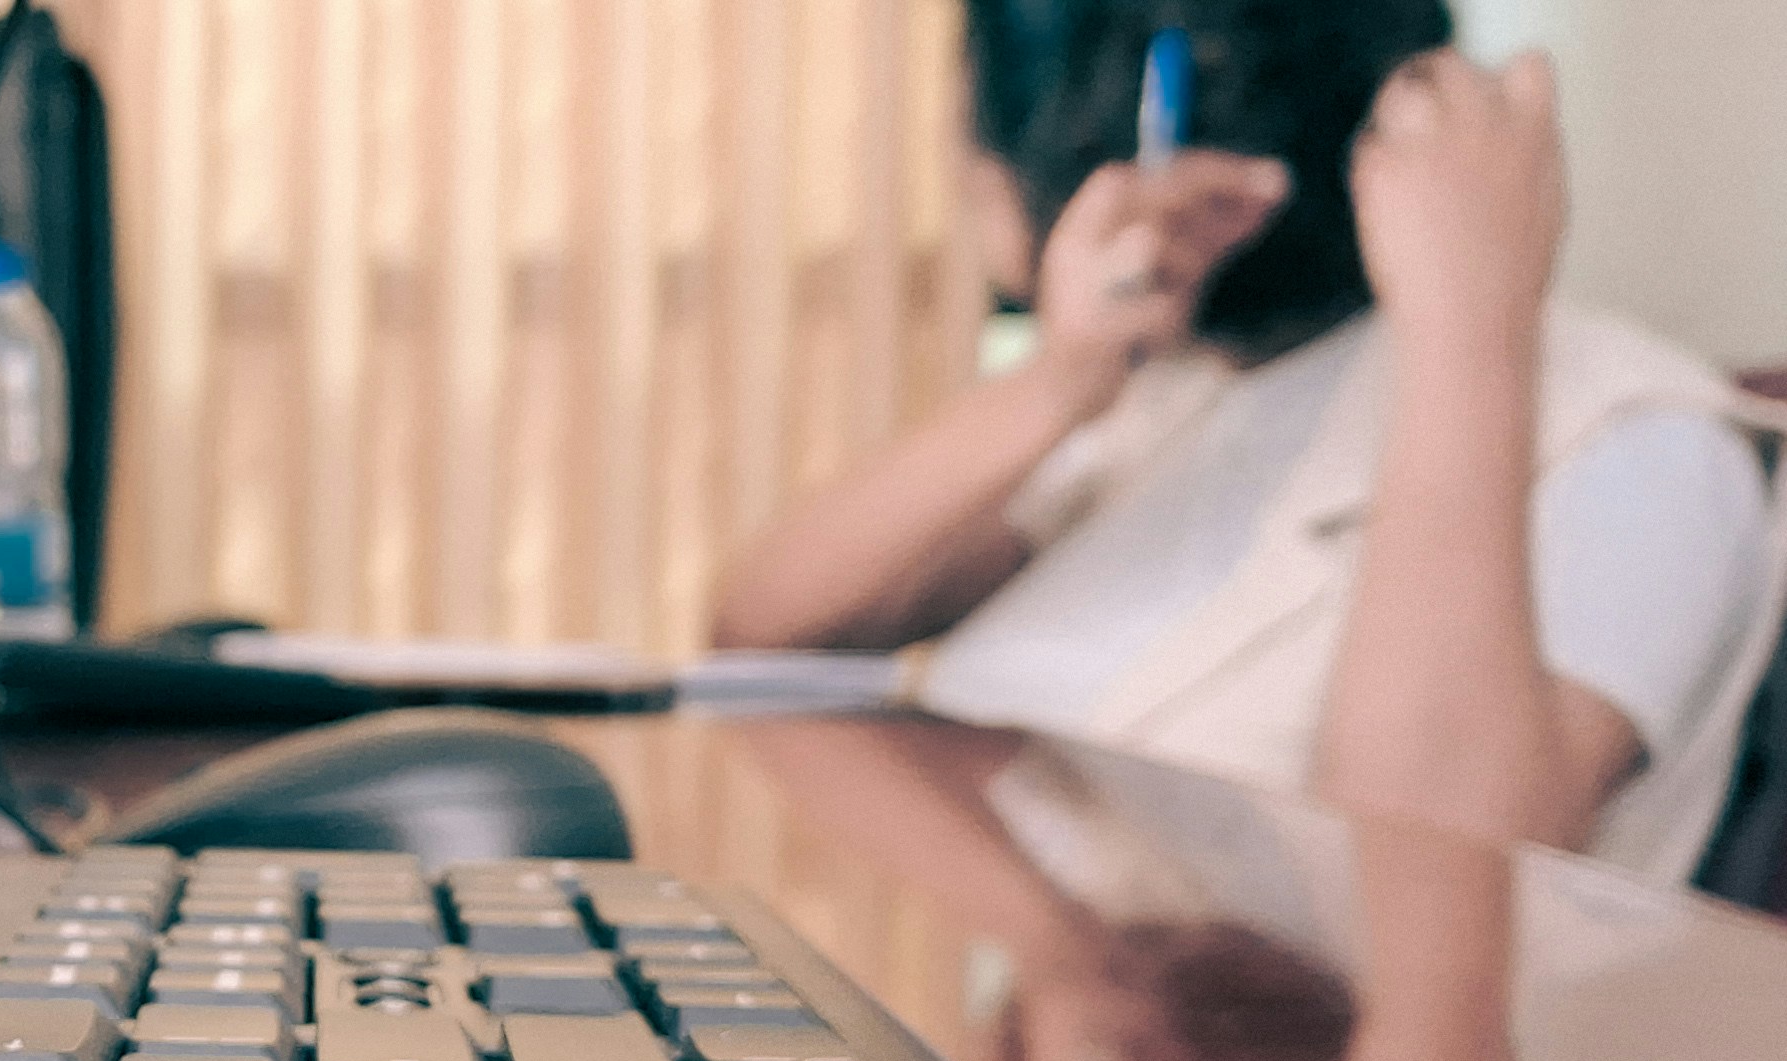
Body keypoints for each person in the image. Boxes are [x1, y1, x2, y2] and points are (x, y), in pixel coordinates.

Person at [713, 0, 1785, 876]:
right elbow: (764, 630)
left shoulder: (1642, 439)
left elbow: (1433, 853)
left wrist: (1468, 326)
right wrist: (1064, 377)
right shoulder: (1190, 394)